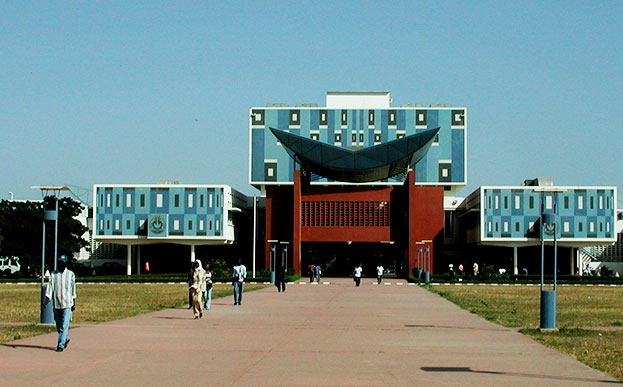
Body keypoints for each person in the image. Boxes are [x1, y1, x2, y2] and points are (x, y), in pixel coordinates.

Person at [44, 255, 76, 352]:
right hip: (57, 303)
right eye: (59, 263)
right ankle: (65, 339)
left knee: (64, 325)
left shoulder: (70, 274)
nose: (60, 265)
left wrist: (74, 302)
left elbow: (73, 289)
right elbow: (50, 288)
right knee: (58, 324)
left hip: (67, 303)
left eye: (62, 263)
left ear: (65, 264)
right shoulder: (53, 275)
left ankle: (60, 345)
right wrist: (47, 300)